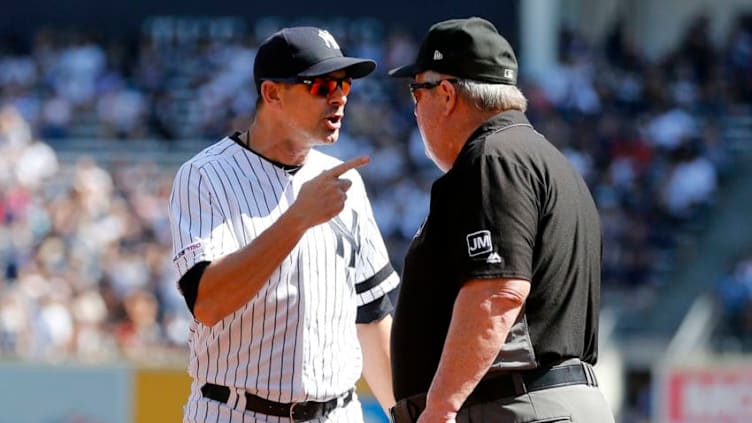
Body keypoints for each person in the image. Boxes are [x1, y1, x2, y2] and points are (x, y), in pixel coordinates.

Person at [387, 17, 615, 423]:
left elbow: (498, 292)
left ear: (445, 94)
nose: (415, 107)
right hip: (543, 401)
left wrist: (440, 407)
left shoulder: (492, 158)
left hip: (517, 405)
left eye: (415, 91)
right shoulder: (545, 159)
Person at [168, 26, 399, 423]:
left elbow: (373, 317)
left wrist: (410, 414)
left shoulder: (345, 183)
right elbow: (207, 303)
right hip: (236, 409)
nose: (339, 97)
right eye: (322, 85)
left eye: (344, 84)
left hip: (338, 412)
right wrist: (297, 219)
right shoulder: (205, 176)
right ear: (272, 93)